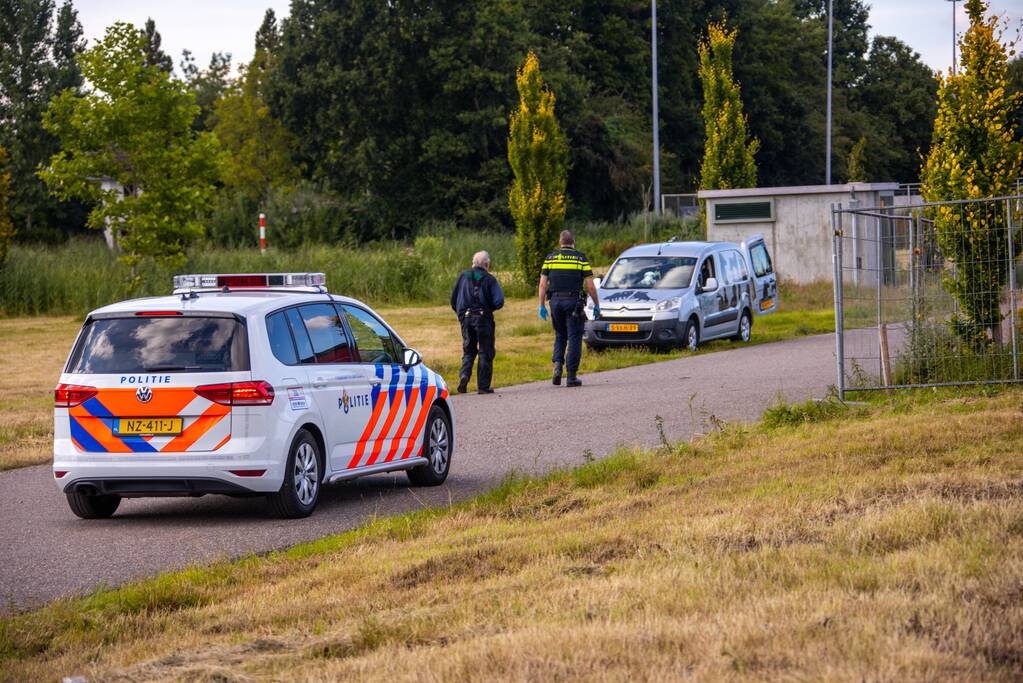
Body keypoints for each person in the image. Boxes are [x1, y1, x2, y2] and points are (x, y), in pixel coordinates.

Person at [537, 230, 601, 387]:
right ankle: (571, 376)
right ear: (573, 243)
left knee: (560, 335)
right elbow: (590, 286)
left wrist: (541, 305)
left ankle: (557, 366)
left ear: (560, 243)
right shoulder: (580, 258)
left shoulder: (550, 258)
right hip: (573, 303)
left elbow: (543, 284)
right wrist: (597, 305)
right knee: (574, 337)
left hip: (555, 302)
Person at [450, 250, 505, 394]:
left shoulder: (463, 276)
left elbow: (453, 300)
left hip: (466, 318)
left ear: (473, 263)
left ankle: (464, 376)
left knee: (468, 350)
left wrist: (462, 316)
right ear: (487, 264)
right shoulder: (490, 279)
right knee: (485, 351)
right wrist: (488, 309)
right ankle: (483, 386)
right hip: (483, 319)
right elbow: (499, 302)